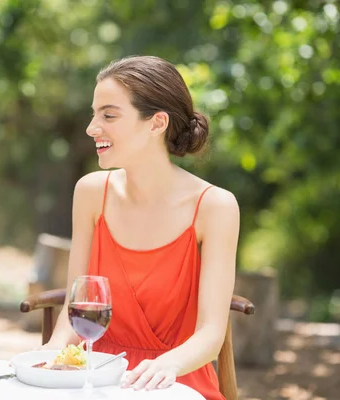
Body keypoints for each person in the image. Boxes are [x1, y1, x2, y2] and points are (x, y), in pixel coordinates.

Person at [44, 56, 239, 399]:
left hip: (175, 382)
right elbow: (74, 313)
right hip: (95, 381)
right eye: (94, 114)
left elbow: (211, 335)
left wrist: (168, 365)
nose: (92, 127)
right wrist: (50, 355)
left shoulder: (215, 207)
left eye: (109, 115)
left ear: (156, 123)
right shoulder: (90, 193)